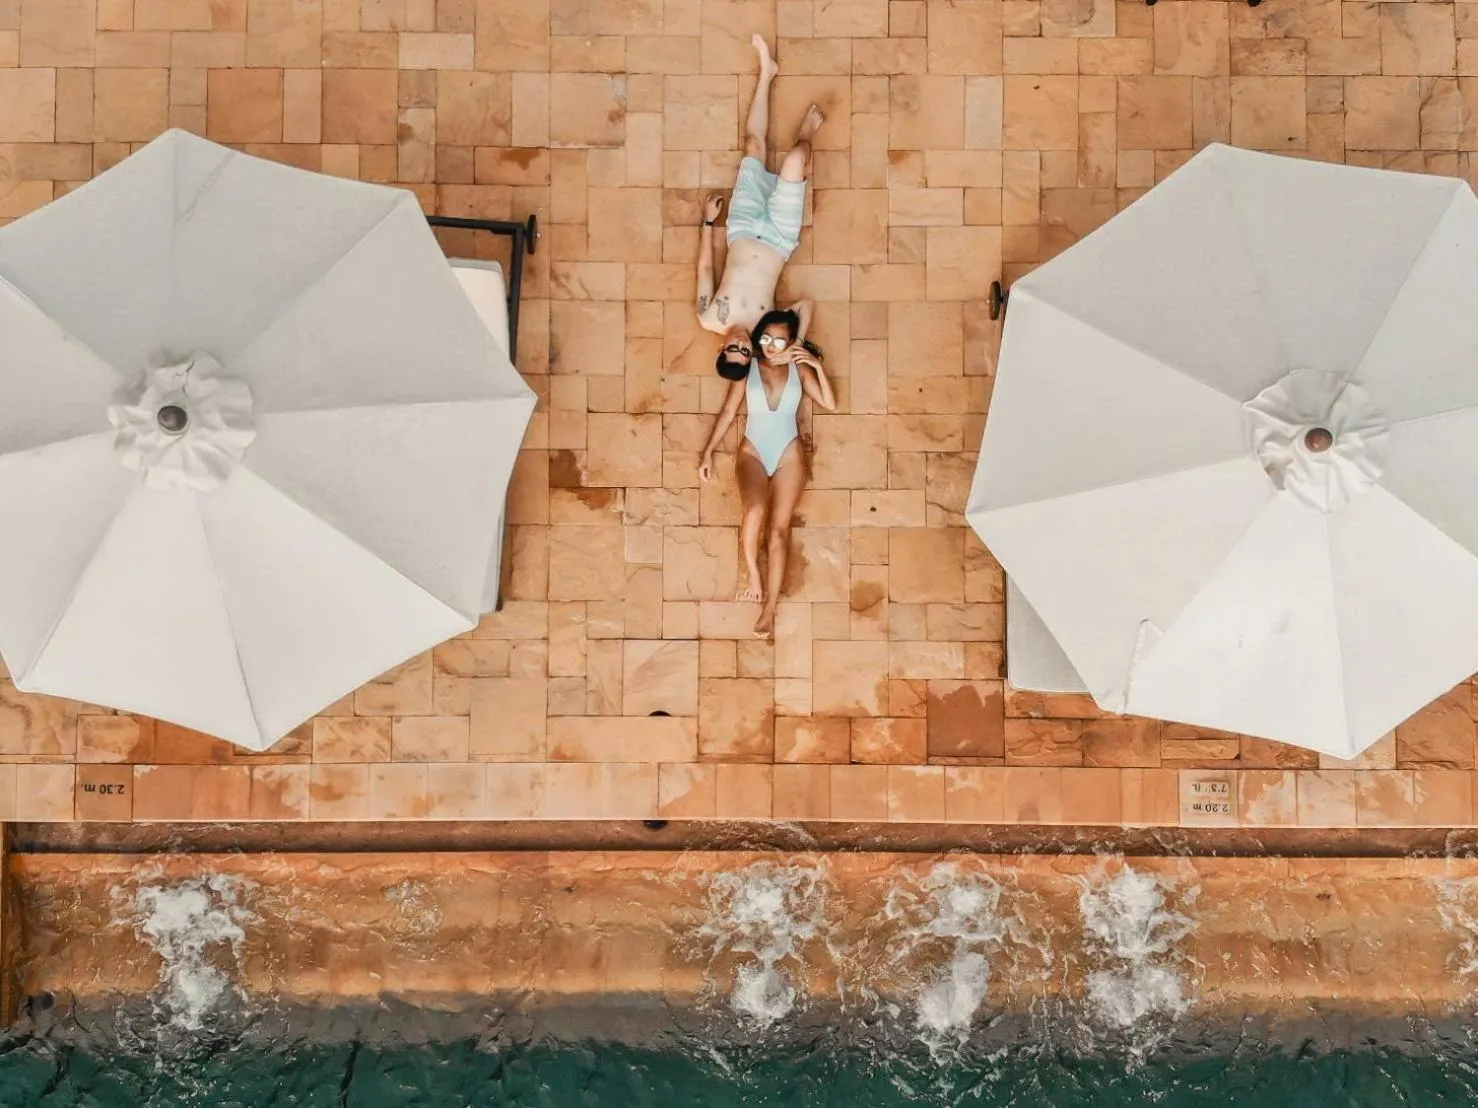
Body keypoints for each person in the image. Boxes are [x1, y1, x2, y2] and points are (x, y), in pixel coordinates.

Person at [698, 308, 836, 639]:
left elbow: (830, 402)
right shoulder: (751, 369)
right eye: (766, 338)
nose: (771, 345)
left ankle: (770, 609)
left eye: (779, 340)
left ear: (790, 341)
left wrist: (814, 363)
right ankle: (755, 580)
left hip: (788, 453)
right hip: (753, 452)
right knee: (755, 509)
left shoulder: (798, 369)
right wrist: (707, 452)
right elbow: (730, 411)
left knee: (778, 532)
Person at [696, 33, 825, 379]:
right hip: (780, 237)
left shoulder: (709, 318)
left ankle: (766, 72)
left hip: (741, 227)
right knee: (796, 159)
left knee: (753, 146)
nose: (739, 344)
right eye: (744, 352)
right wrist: (794, 345)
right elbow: (803, 306)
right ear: (750, 353)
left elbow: (706, 271)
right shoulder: (765, 334)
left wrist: (708, 224)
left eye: (731, 350)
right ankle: (806, 137)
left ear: (722, 349)